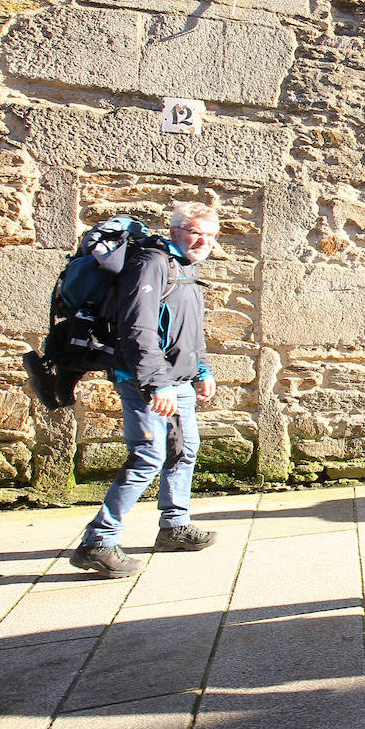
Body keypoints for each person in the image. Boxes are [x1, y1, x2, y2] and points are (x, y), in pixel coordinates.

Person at [71, 201, 220, 578]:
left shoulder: (185, 267)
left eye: (209, 234)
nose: (202, 240)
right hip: (147, 381)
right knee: (148, 457)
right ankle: (97, 542)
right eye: (194, 232)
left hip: (179, 380)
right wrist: (157, 383)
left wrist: (202, 368)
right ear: (175, 231)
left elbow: (190, 327)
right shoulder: (151, 263)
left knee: (183, 451)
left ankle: (175, 526)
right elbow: (137, 328)